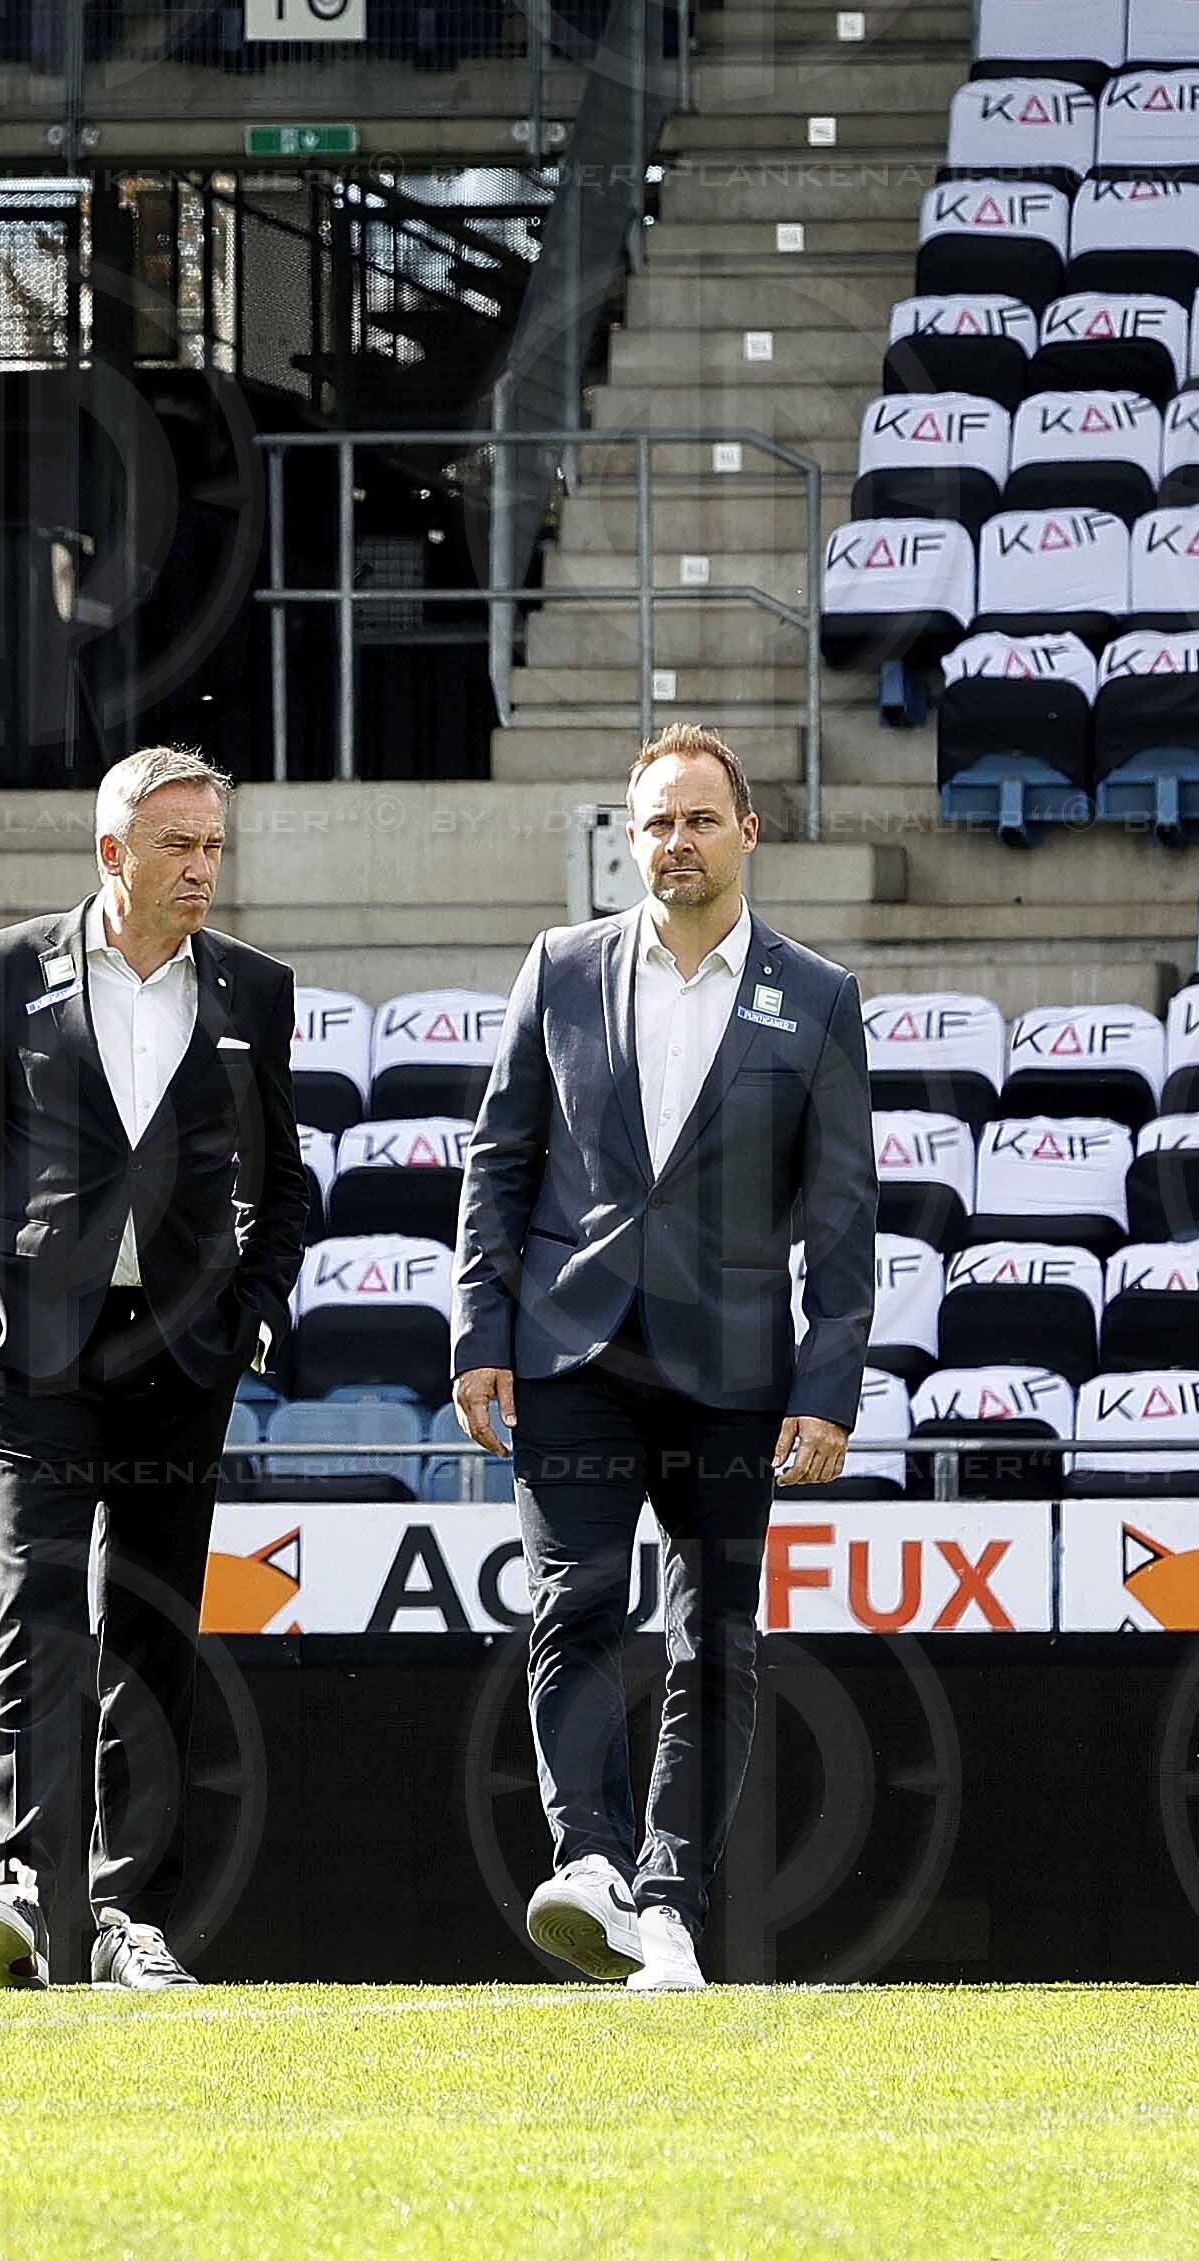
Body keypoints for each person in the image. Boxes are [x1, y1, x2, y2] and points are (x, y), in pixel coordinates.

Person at [450, 725, 877, 1991]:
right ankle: (587, 1861)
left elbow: (845, 1214)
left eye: (699, 818)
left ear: (750, 831)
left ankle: (674, 1900)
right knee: (574, 1600)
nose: (676, 841)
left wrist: (828, 1384)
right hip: (570, 1347)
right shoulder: (562, 967)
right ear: (627, 841)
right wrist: (479, 1333)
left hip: (735, 1371)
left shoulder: (817, 996)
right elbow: (499, 1159)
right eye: (654, 822)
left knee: (714, 1638)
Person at [0, 744, 312, 1991]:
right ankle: (20, 1889)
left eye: (211, 846)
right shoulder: (5, 966)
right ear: (111, 854)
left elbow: (281, 1181)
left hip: (181, 1358)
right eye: (177, 846)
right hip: (31, 1351)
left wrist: (249, 1308)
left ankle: (132, 1913)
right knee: (36, 1604)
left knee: (147, 1627)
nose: (202, 868)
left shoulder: (252, 989)